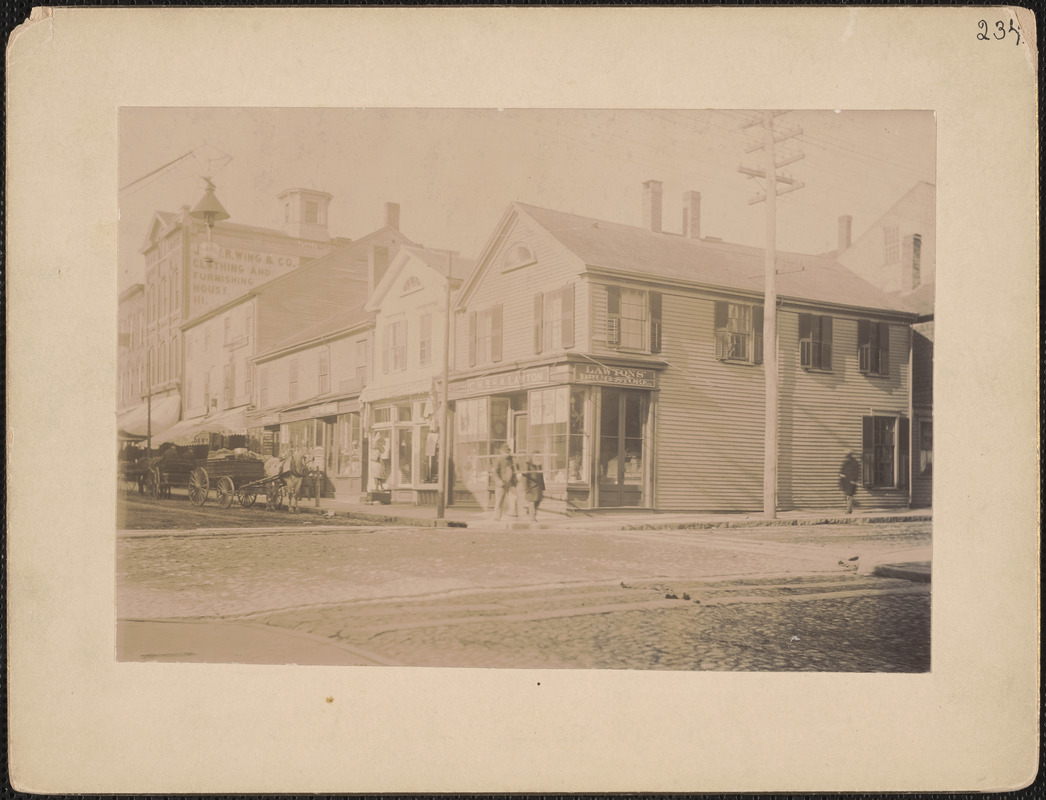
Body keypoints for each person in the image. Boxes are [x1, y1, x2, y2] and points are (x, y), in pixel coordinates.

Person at [491, 443, 516, 521]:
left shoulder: (511, 459)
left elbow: (514, 469)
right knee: (499, 500)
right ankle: (497, 516)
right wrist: (499, 481)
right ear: (502, 452)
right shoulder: (498, 460)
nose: (507, 453)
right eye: (506, 452)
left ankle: (513, 513)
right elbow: (494, 472)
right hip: (502, 483)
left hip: (511, 482)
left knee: (514, 498)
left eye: (508, 451)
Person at [520, 451, 545, 521]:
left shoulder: (539, 465)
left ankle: (531, 512)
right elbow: (524, 477)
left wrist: (543, 487)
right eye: (536, 457)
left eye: (539, 457)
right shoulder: (528, 464)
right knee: (532, 502)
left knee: (538, 501)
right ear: (532, 457)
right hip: (531, 487)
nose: (538, 458)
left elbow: (541, 476)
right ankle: (532, 517)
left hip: (538, 487)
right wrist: (526, 488)